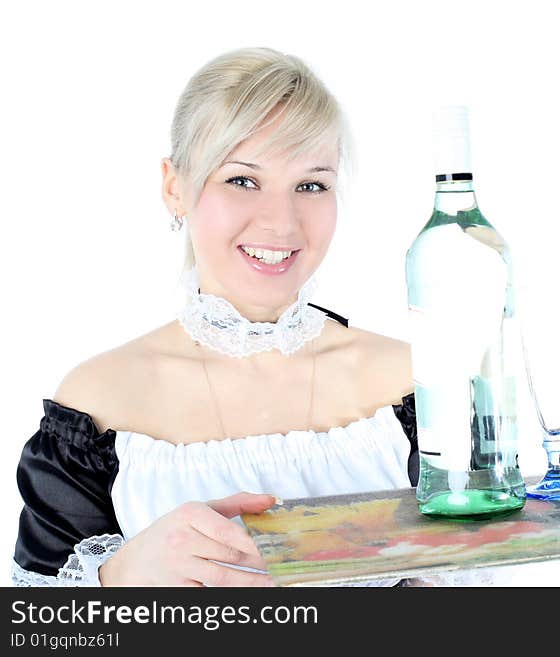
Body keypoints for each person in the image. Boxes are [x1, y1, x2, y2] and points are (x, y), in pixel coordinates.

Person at [11, 47, 426, 587]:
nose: (282, 222)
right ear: (174, 186)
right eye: (242, 180)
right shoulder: (97, 407)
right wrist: (115, 579)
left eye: (311, 184)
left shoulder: (414, 386)